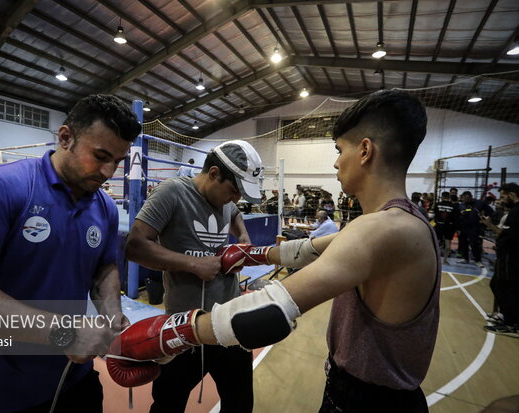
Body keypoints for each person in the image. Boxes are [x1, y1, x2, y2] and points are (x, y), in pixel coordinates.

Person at [111, 90, 439, 413]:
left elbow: (274, 306)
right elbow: (307, 250)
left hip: (371, 399)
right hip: (360, 388)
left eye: (339, 150)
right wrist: (248, 253)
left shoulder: (385, 229)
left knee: (237, 400)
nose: (337, 162)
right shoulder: (389, 223)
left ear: (365, 150)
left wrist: (165, 334)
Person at [0, 95, 142, 412]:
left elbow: (104, 267)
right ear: (66, 138)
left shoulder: (104, 207)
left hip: (72, 380)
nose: (109, 171)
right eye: (100, 156)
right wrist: (64, 333)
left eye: (117, 161)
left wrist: (111, 314)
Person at [125, 140, 264, 413]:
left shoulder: (226, 199)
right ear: (213, 173)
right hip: (183, 328)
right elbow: (134, 246)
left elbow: (234, 212)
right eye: (234, 190)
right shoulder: (173, 192)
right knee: (168, 404)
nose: (235, 199)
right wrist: (193, 264)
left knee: (240, 404)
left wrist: (243, 238)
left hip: (228, 322)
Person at [481, 183, 519, 337]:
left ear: (511, 194)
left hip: (512, 257)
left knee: (507, 288)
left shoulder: (517, 212)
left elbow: (512, 238)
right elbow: (505, 233)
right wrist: (489, 224)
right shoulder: (513, 212)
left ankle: (511, 323)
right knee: (497, 284)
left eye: (503, 196)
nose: (502, 200)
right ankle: (507, 316)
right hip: (506, 256)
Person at [434, 191, 459, 264]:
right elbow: (456, 218)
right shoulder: (454, 206)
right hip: (449, 226)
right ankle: (444, 260)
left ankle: (435, 259)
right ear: (449, 197)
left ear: (442, 197)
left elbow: (435, 214)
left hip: (439, 225)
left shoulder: (437, 204)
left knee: (436, 243)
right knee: (448, 245)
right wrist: (457, 228)